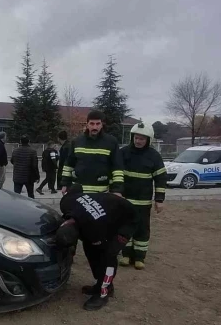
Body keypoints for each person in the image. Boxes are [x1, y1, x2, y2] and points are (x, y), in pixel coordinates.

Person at [57, 184, 138, 310]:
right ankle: (100, 283)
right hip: (107, 211)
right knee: (90, 249)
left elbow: (99, 244)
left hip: (126, 219)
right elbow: (77, 187)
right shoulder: (66, 203)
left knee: (107, 255)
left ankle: (104, 292)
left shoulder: (94, 230)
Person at [118, 122, 168, 270]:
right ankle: (126, 255)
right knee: (124, 228)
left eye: (142, 139)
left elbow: (160, 178)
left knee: (142, 229)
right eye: (136, 138)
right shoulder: (123, 153)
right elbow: (116, 173)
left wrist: (159, 200)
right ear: (132, 137)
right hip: (125, 200)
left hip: (143, 202)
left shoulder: (154, 156)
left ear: (148, 140)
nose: (138, 141)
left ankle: (139, 258)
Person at [60, 110, 124, 195]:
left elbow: (117, 168)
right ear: (87, 124)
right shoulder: (77, 141)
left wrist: (117, 190)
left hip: (102, 193)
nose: (95, 127)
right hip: (79, 193)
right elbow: (69, 165)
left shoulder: (111, 142)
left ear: (102, 125)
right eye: (92, 124)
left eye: (98, 124)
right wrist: (65, 184)